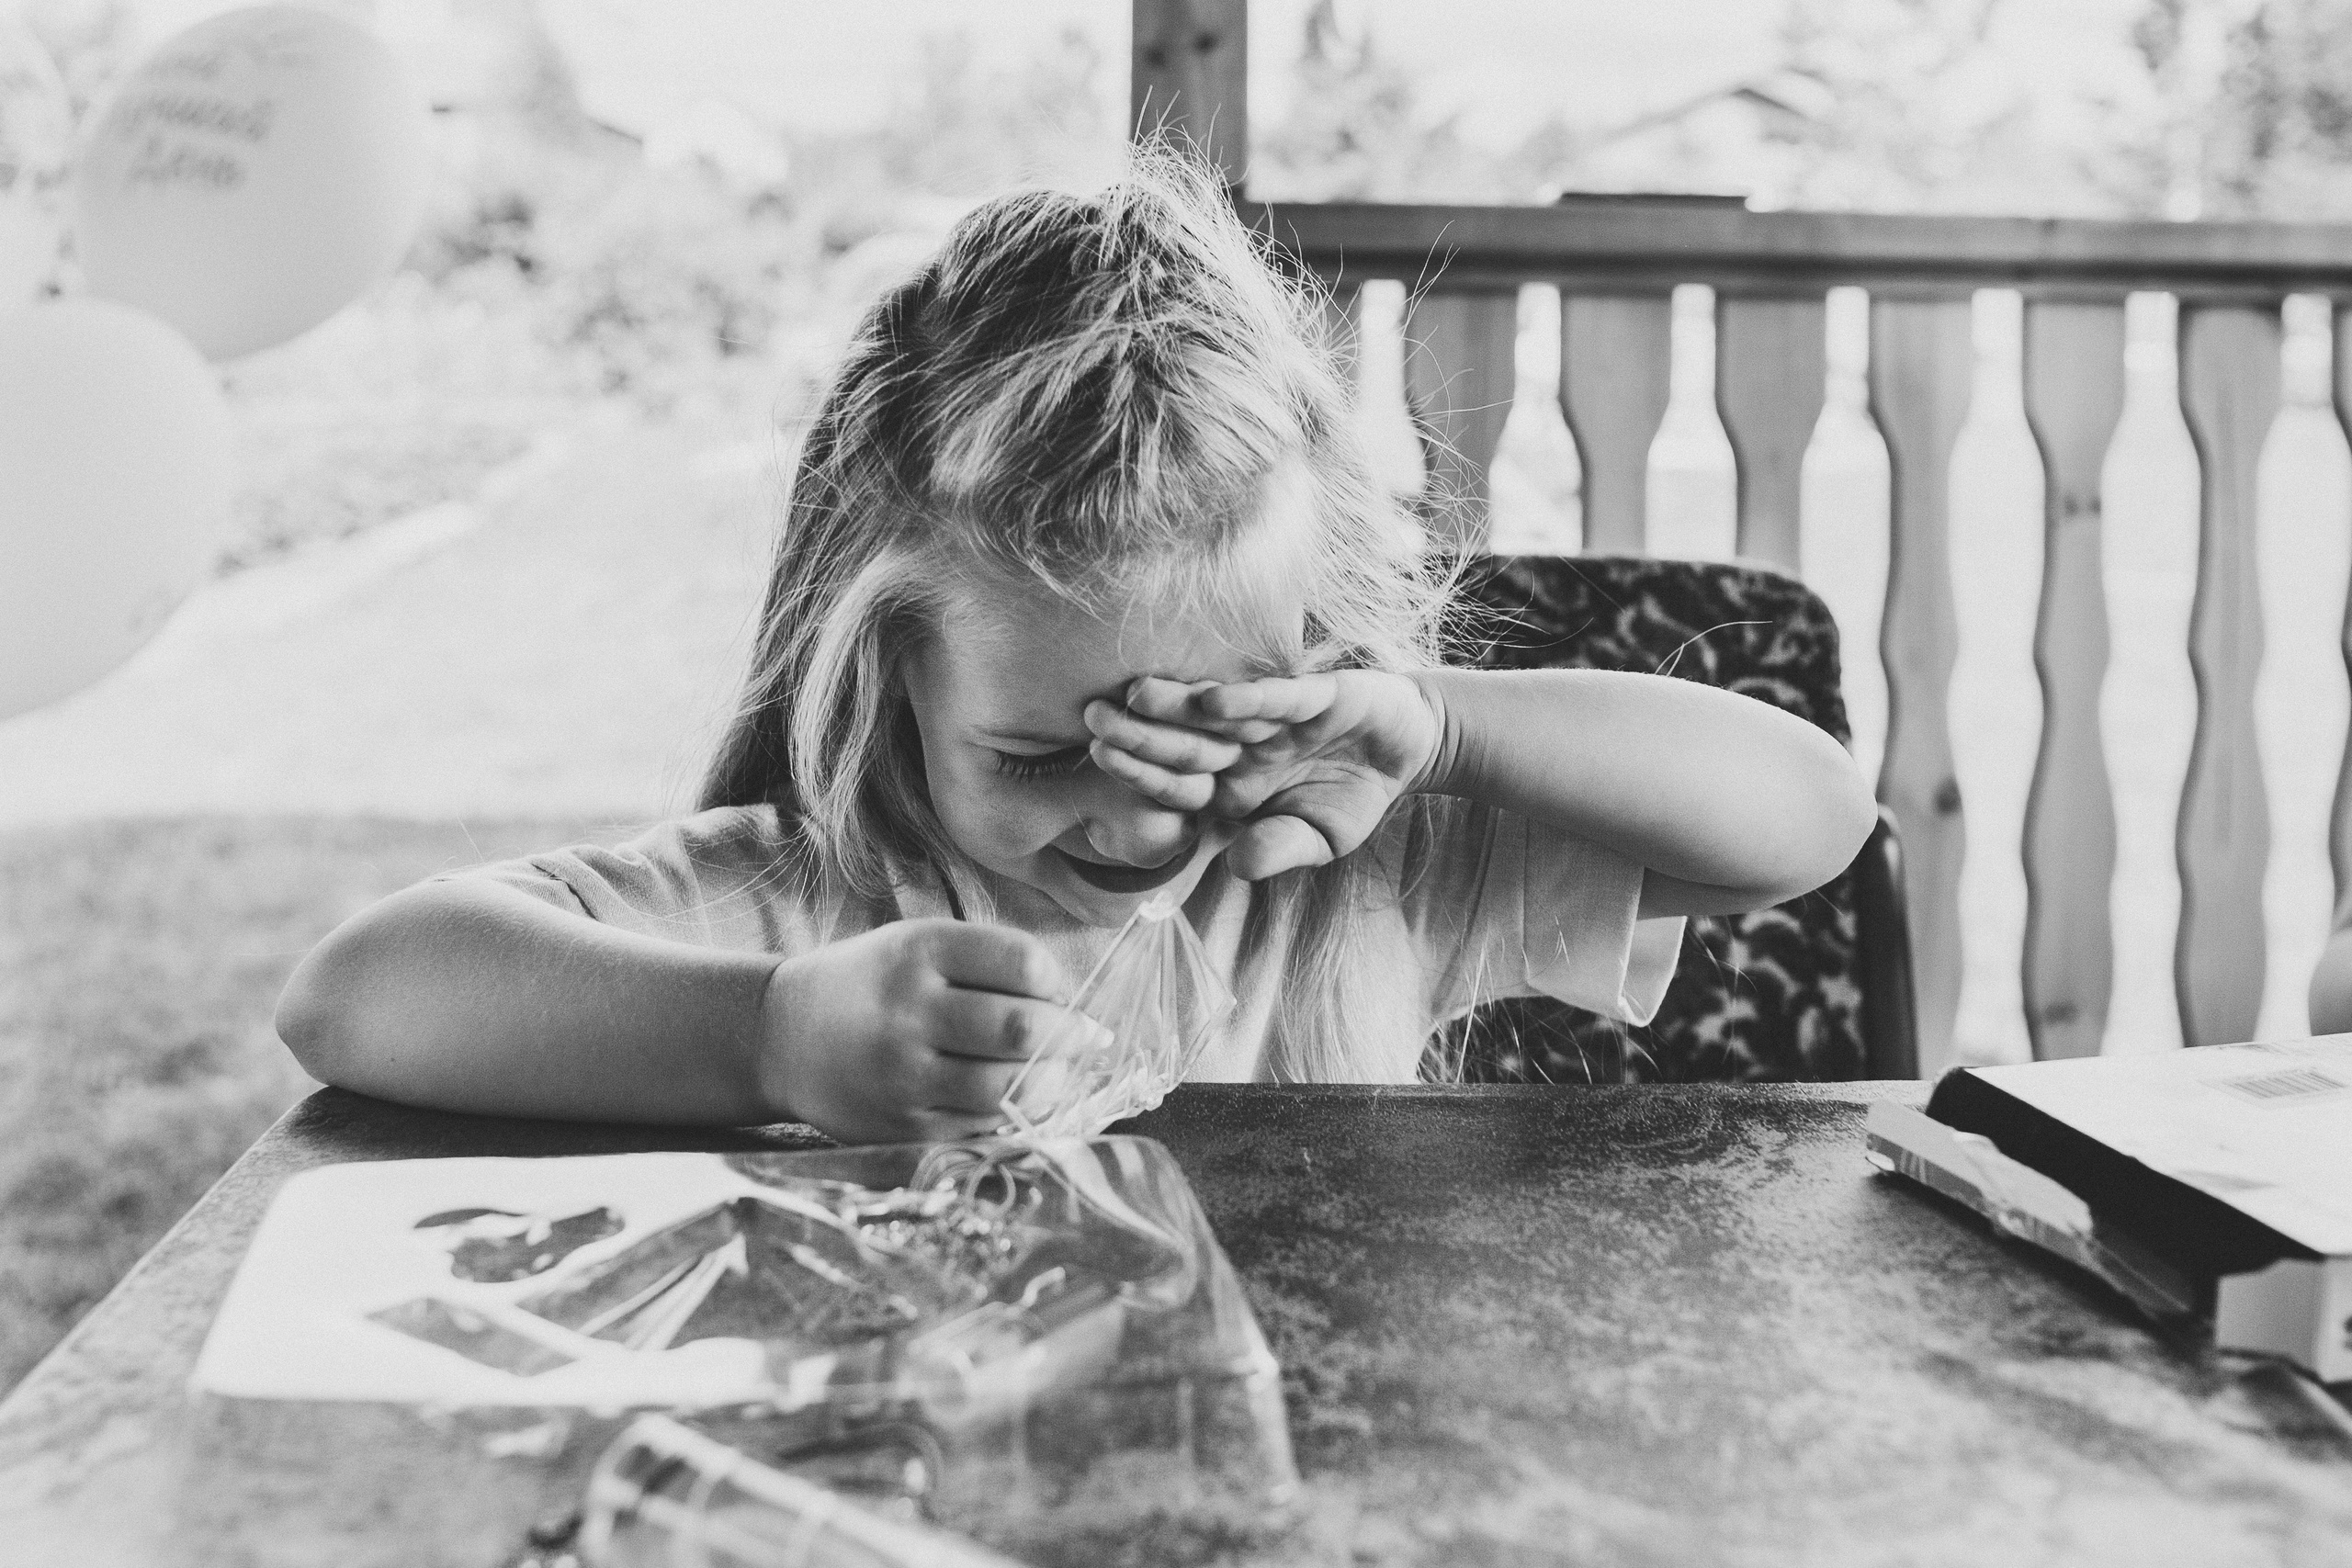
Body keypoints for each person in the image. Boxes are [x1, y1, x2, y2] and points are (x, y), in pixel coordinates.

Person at [277, 155, 1877, 1145]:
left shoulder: (1356, 881)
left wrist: (1441, 731)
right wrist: (772, 1034)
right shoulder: (808, 898)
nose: (1128, 826)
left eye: (1205, 729)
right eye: (1040, 756)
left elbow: (1808, 828)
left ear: (1311, 661)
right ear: (886, 676)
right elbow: (354, 997)